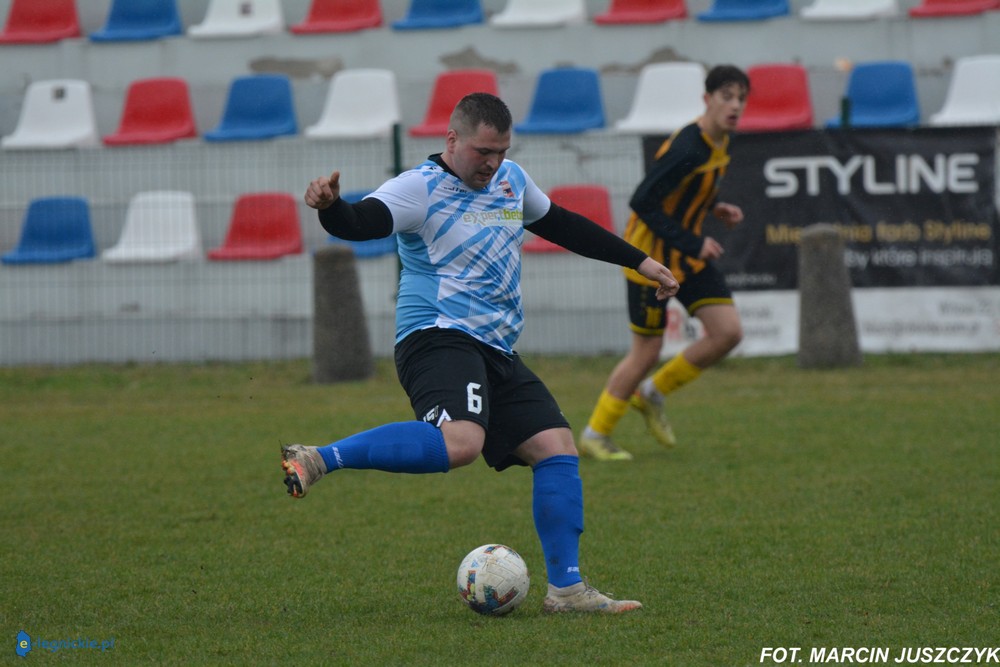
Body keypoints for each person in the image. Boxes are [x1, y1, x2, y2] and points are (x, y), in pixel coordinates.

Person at [282, 93, 678, 613]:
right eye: (483, 152)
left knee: (556, 448)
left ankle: (567, 591)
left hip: (494, 346)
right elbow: (360, 223)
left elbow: (563, 225)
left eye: (501, 151)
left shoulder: (511, 181)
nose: (492, 163)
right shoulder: (419, 188)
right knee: (462, 442)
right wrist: (331, 207)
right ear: (452, 140)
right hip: (436, 335)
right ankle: (318, 458)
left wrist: (640, 261)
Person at [579, 64, 749, 461]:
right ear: (707, 99)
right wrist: (693, 241)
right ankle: (594, 434)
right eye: (726, 97)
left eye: (741, 98)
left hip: (687, 258)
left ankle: (652, 394)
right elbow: (643, 201)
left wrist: (714, 207)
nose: (735, 106)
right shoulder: (689, 146)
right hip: (651, 260)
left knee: (727, 332)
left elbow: (684, 191)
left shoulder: (720, 140)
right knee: (647, 351)